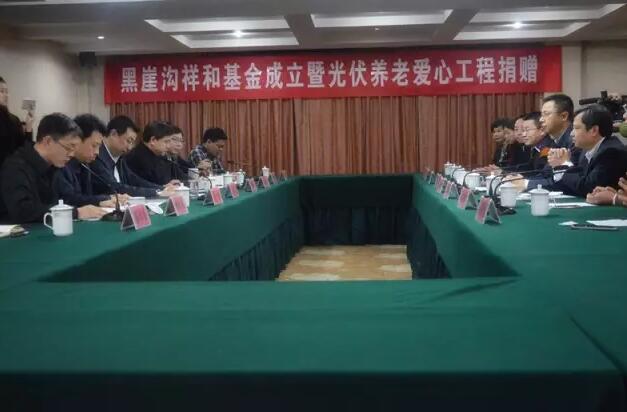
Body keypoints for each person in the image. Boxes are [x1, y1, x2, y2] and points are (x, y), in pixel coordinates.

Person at [0, 113, 106, 223]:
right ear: (48, 141)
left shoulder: (53, 166)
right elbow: (23, 211)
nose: (72, 154)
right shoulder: (15, 167)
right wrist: (75, 213)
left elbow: (63, 200)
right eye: (69, 147)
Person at [522, 105, 627, 197]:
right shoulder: (586, 151)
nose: (572, 134)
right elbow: (571, 185)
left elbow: (589, 188)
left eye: (576, 128)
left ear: (594, 130)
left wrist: (564, 165)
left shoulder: (611, 152)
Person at [54, 114, 128, 208]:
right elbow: (68, 199)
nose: (97, 152)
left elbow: (88, 195)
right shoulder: (61, 163)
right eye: (94, 145)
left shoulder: (85, 164)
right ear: (78, 139)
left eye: (99, 147)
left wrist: (111, 197)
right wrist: (101, 200)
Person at [91, 116, 176, 197]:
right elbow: (116, 187)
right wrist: (156, 192)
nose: (130, 147)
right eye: (128, 141)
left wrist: (160, 188)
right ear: (113, 134)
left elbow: (134, 180)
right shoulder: (96, 156)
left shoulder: (119, 157)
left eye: (132, 142)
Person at [125, 121, 181, 186]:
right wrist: (164, 187)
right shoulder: (138, 158)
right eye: (166, 142)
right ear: (153, 140)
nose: (168, 146)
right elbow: (145, 185)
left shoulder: (158, 155)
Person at [0, 76, 33, 167]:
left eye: (7, 92)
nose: (6, 95)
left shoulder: (14, 120)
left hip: (12, 170)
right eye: (2, 91)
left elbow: (24, 149)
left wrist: (28, 128)